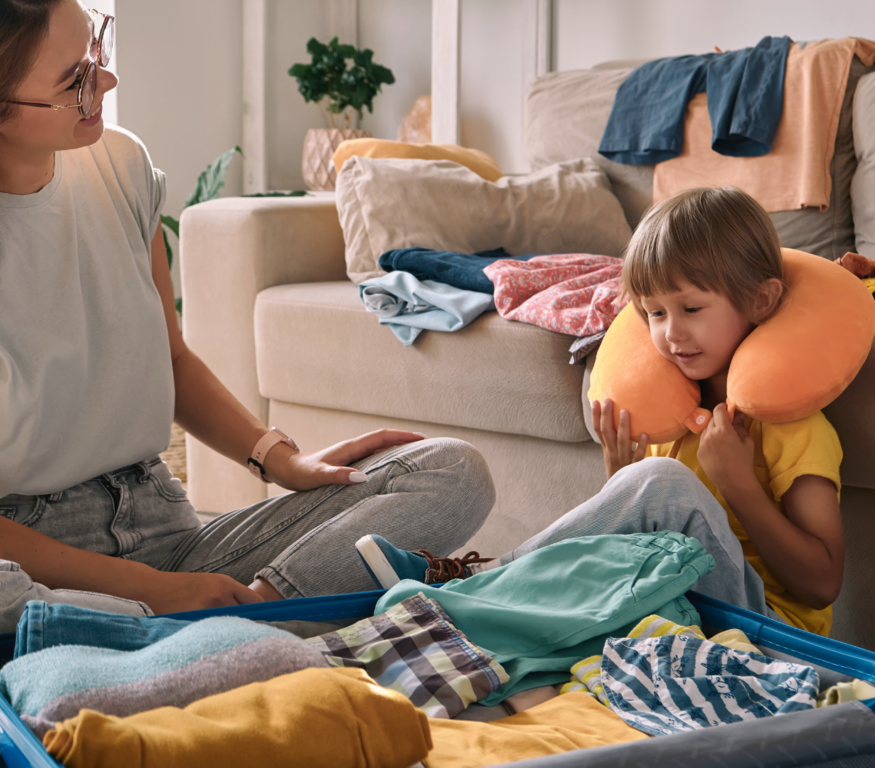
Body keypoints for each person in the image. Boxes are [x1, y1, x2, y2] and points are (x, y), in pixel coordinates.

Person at [0, 0, 495, 705]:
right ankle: (234, 637)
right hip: (34, 559)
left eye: (94, 49)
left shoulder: (120, 164)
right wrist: (159, 594)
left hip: (165, 522)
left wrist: (280, 459)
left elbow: (170, 358)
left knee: (450, 472)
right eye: (75, 79)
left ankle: (198, 641)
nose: (106, 82)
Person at [359, 187, 844, 638]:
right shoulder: (669, 414)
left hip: (772, 631)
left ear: (760, 300)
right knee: (628, 524)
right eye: (655, 313)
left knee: (664, 484)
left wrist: (739, 484)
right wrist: (621, 485)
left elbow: (822, 585)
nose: (671, 333)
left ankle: (473, 581)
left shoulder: (792, 428)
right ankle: (467, 611)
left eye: (691, 309)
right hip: (679, 605)